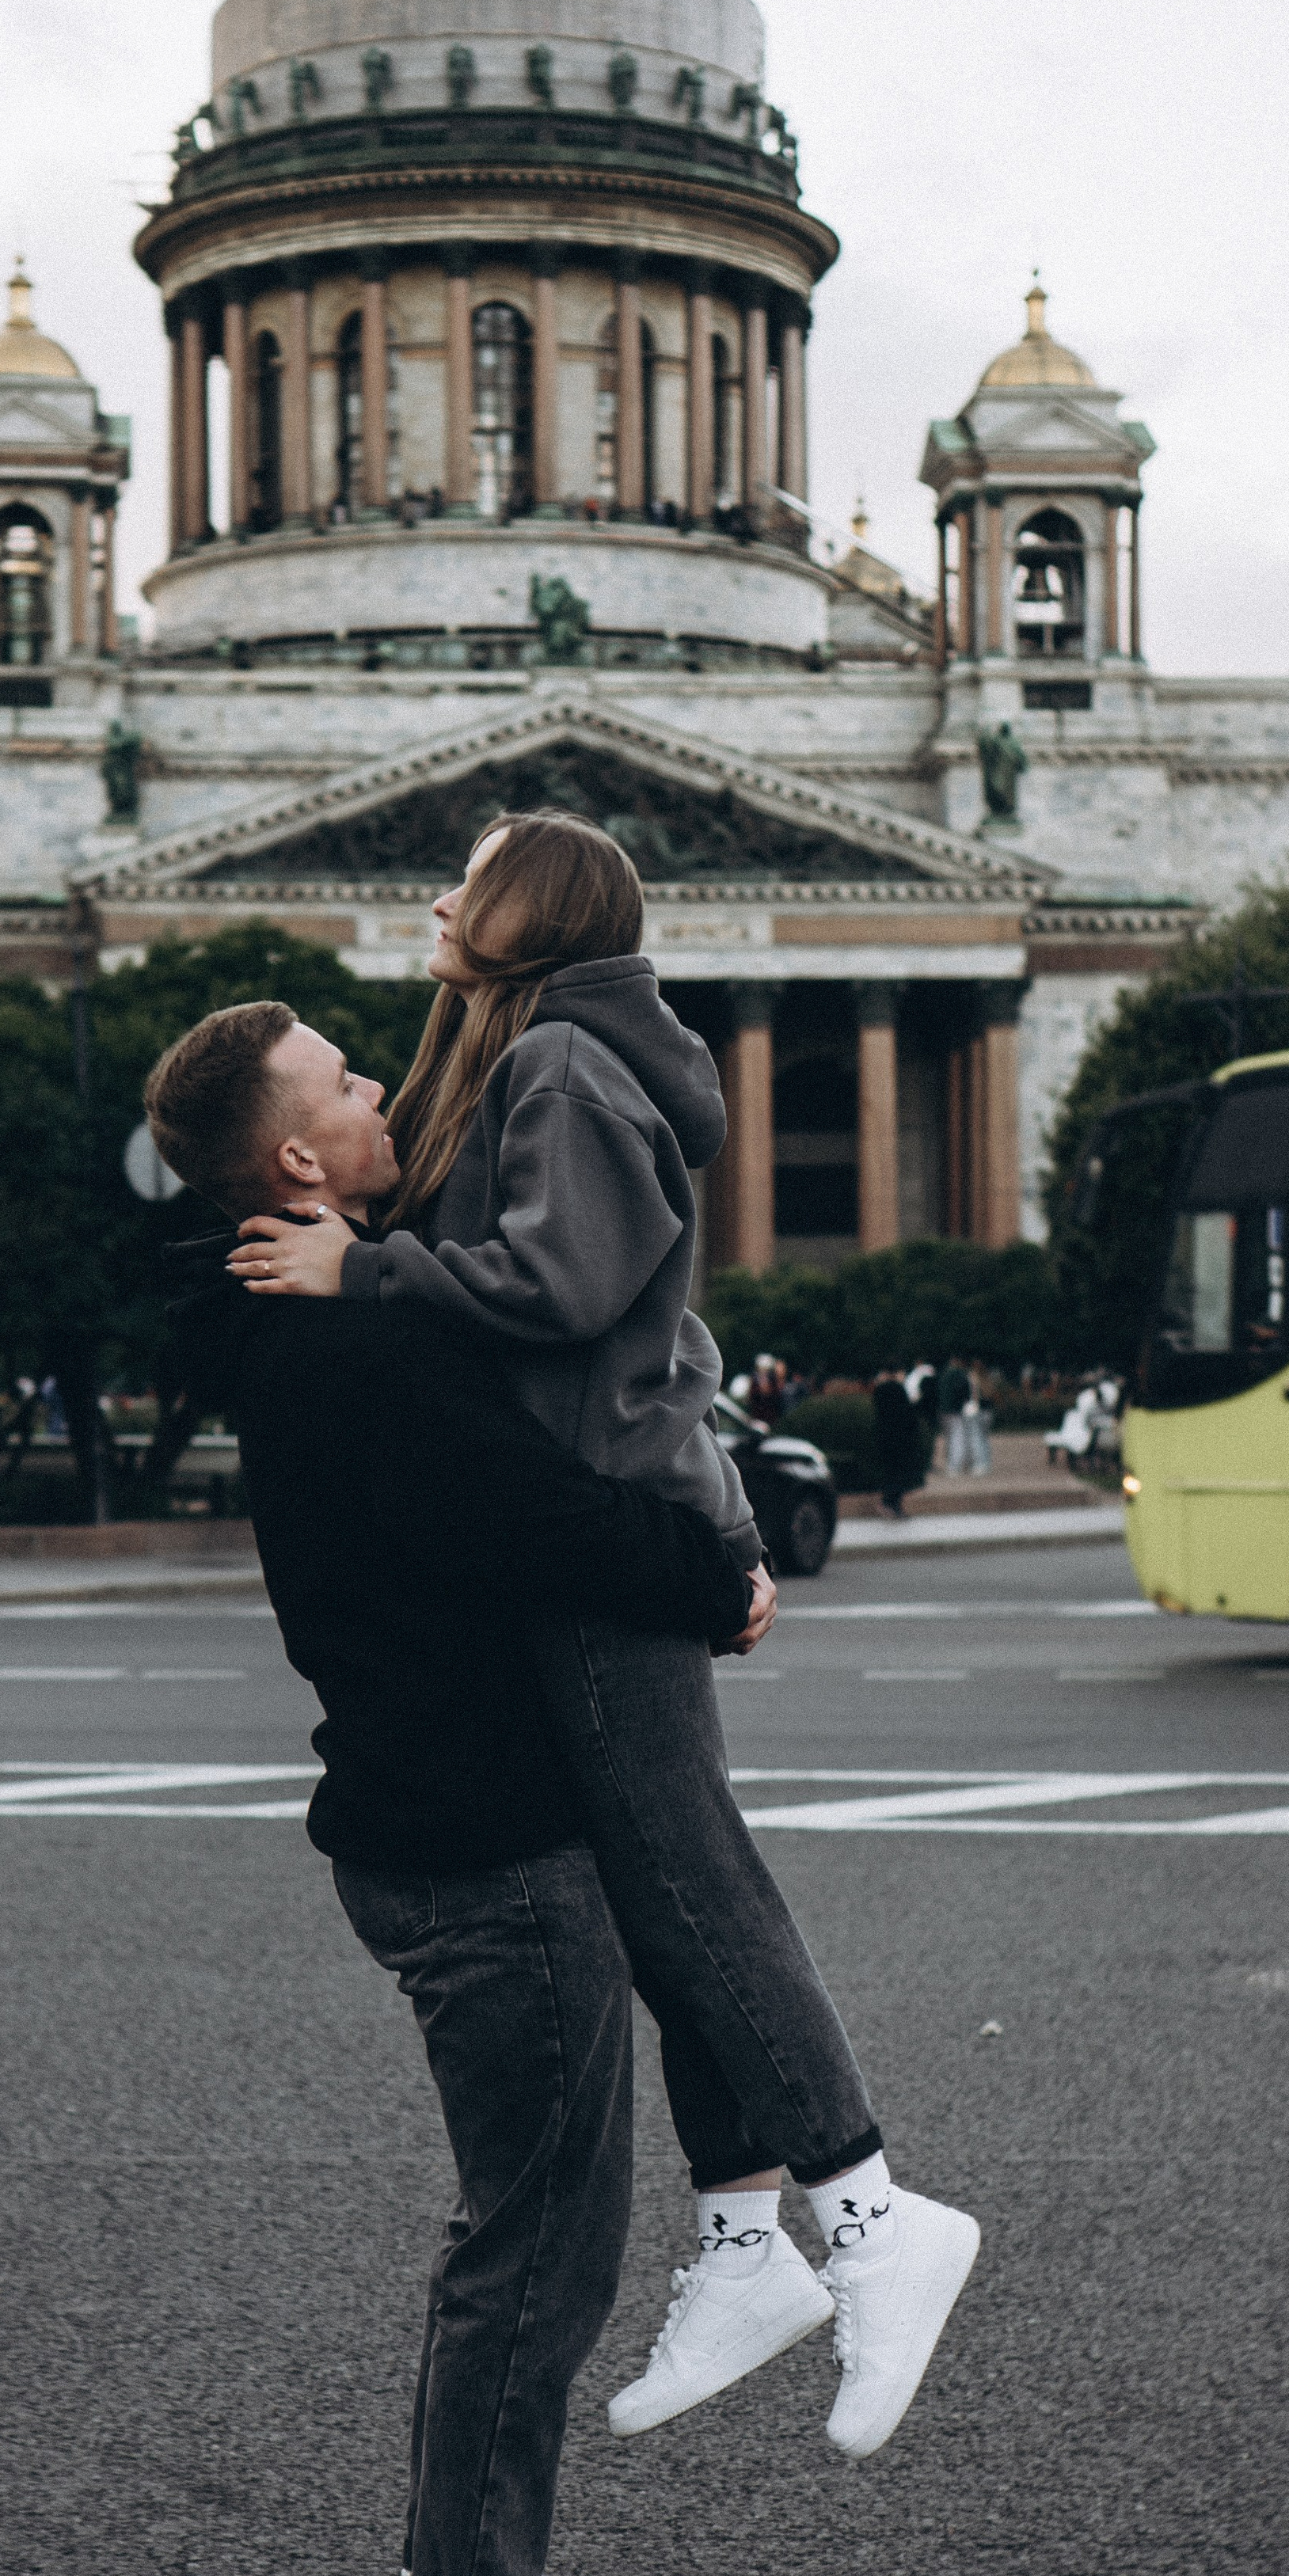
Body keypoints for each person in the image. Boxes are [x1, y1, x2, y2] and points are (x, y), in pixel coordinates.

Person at [218, 815, 976, 2458]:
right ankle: (739, 2242)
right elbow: (639, 1312)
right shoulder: (544, 1057)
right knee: (658, 1891)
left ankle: (859, 2209)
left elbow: (563, 1295)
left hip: (608, 1531)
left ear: (527, 917)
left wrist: (372, 1276)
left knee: (689, 1880)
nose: (433, 902)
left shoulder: (558, 1063)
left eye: (466, 882)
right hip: (618, 1512)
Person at [149, 1007, 762, 2576]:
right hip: (480, 1842)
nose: (380, 1095)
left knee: (531, 2231)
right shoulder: (348, 1342)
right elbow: (528, 1518)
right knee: (532, 2248)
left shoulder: (324, 1303)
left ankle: (468, 2574)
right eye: (347, 1084)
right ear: (289, 1162)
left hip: (446, 1820)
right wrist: (714, 1567)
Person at [871, 1366, 923, 1518]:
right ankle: (893, 1504)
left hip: (885, 1438)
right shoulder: (899, 1390)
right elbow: (908, 1415)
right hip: (900, 1439)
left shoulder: (880, 1391)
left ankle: (889, 1503)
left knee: (889, 1472)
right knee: (899, 1474)